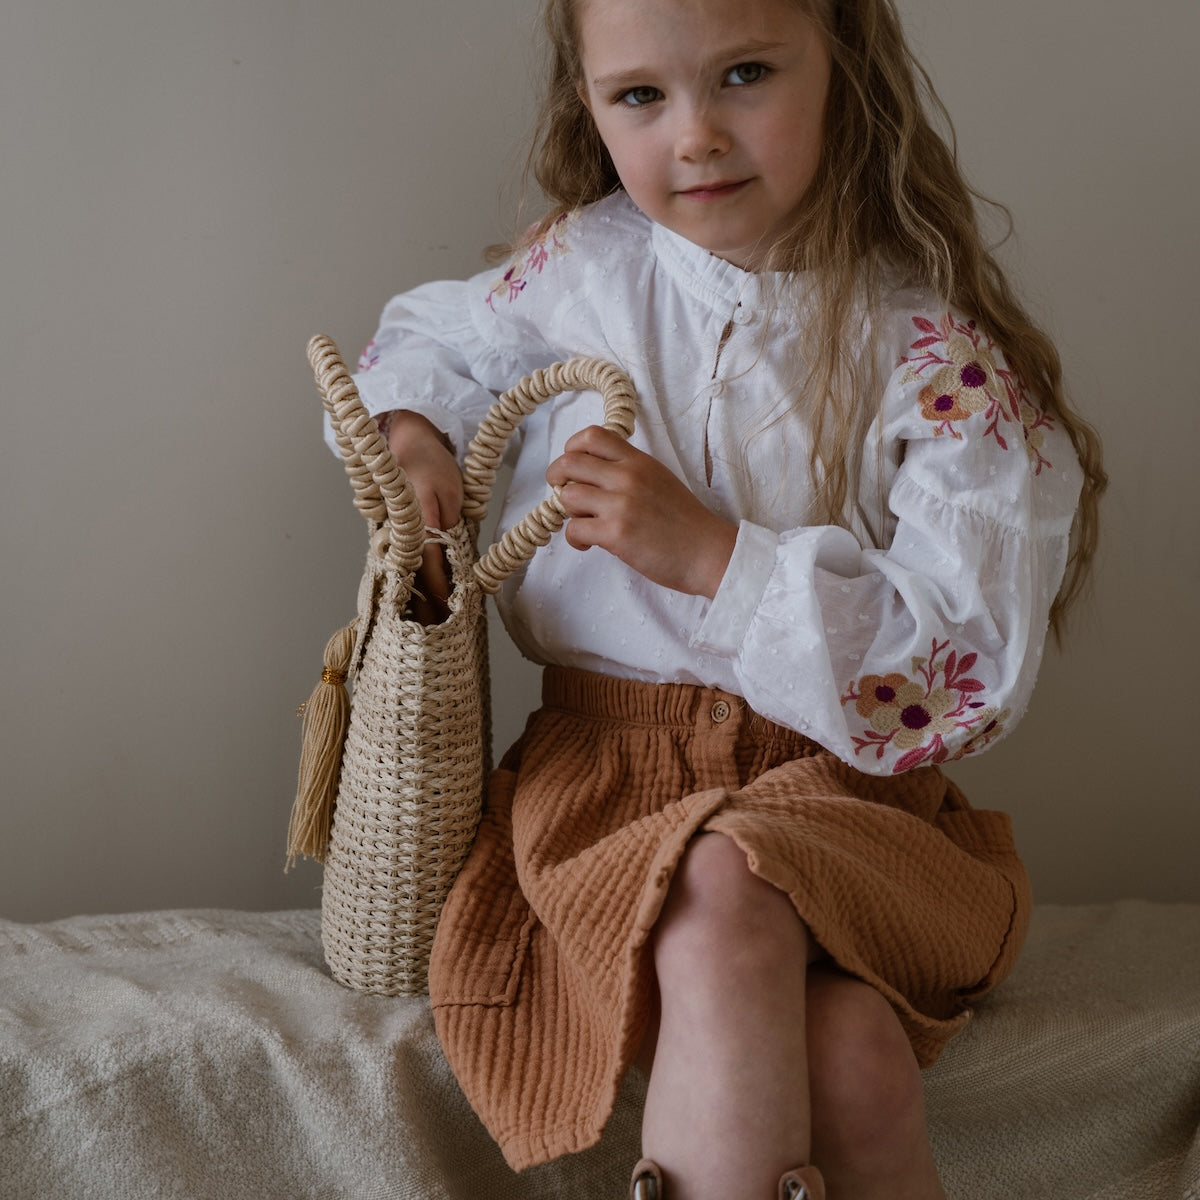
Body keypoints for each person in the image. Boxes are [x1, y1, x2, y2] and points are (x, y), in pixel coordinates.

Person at [338, 0, 1105, 1195]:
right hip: (605, 791)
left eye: (744, 74)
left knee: (731, 877)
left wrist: (716, 559)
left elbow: (961, 667)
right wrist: (414, 436)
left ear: (843, 74)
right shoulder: (584, 272)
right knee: (848, 1053)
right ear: (590, 104)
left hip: (848, 807)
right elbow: (425, 341)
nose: (694, 135)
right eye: (641, 95)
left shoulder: (929, 353)